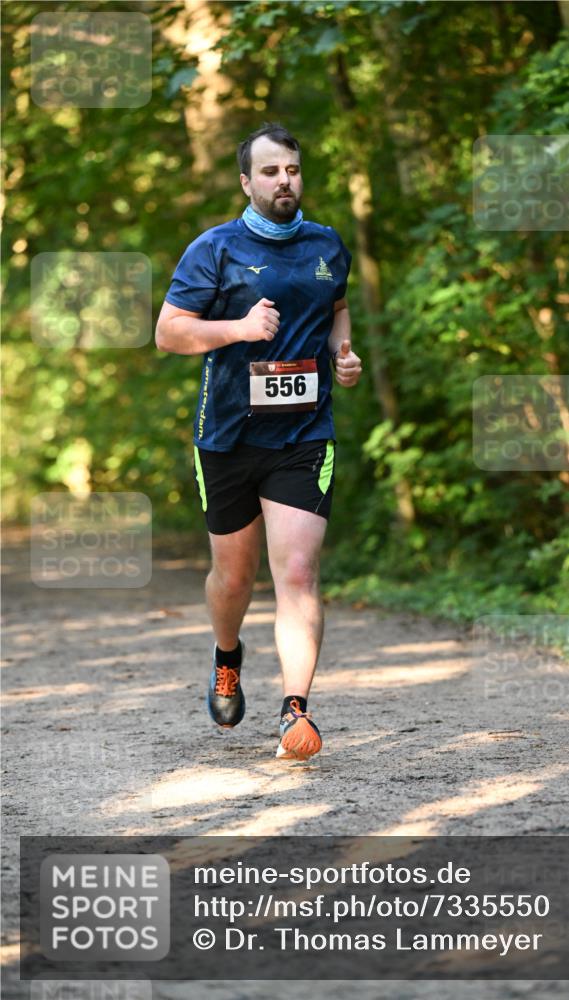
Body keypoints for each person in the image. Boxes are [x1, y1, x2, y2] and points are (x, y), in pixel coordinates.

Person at [155, 123, 362, 761]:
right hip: (226, 439)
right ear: (247, 182)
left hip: (303, 435)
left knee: (297, 572)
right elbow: (169, 332)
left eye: (292, 170)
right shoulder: (214, 249)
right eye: (270, 172)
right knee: (234, 577)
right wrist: (240, 328)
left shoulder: (327, 244)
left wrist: (344, 354)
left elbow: (336, 310)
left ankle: (295, 712)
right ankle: (227, 656)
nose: (284, 181)